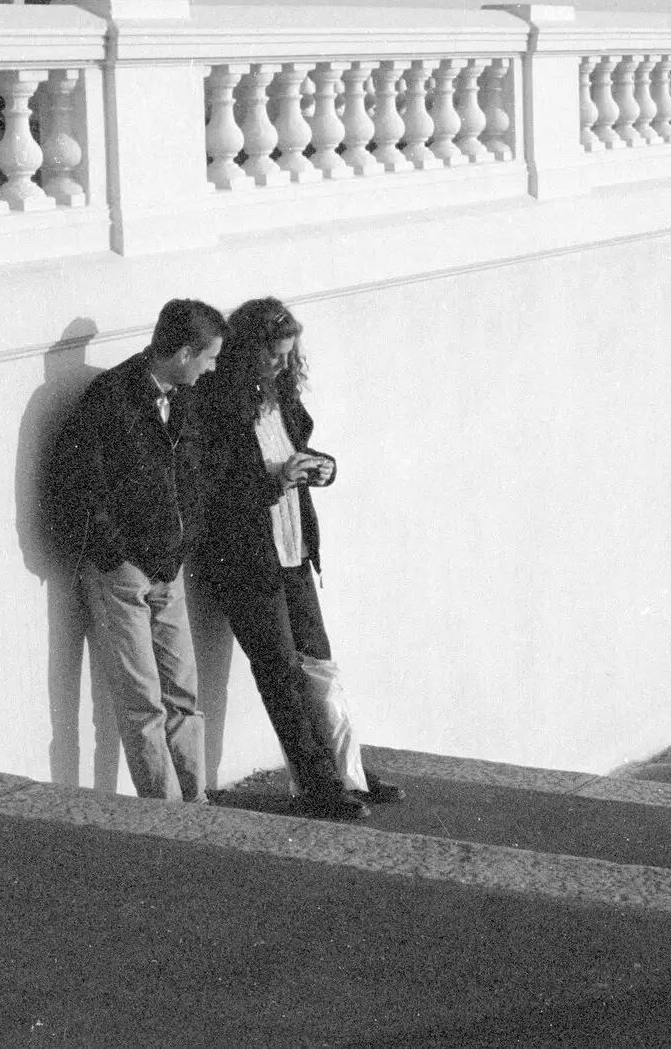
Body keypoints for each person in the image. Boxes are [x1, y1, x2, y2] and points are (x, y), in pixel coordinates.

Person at [195, 296, 405, 821]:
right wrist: (274, 482)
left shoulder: (278, 395)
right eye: (274, 355)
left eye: (290, 354)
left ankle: (345, 771)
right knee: (282, 673)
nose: (285, 364)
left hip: (291, 549)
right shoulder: (219, 402)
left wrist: (320, 467)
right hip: (246, 560)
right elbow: (213, 491)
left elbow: (302, 445)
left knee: (319, 666)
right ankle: (317, 785)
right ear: (248, 353)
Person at [47, 299, 226, 802]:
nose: (213, 368)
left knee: (183, 694)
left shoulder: (185, 397)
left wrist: (184, 542)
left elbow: (195, 474)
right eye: (209, 357)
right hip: (122, 575)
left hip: (168, 569)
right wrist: (114, 555)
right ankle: (166, 815)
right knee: (142, 701)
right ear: (186, 351)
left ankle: (197, 807)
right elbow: (78, 484)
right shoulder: (110, 397)